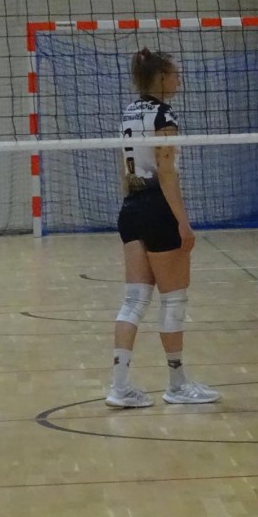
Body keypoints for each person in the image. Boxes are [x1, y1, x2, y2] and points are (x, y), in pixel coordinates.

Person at [106, 49, 221, 408]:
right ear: (160, 78)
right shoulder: (163, 114)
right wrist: (182, 222)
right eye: (175, 74)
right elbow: (166, 172)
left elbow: (125, 170)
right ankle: (177, 384)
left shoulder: (128, 112)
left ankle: (119, 387)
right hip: (159, 208)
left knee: (133, 301)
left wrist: (135, 208)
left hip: (131, 208)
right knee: (173, 299)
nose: (178, 80)